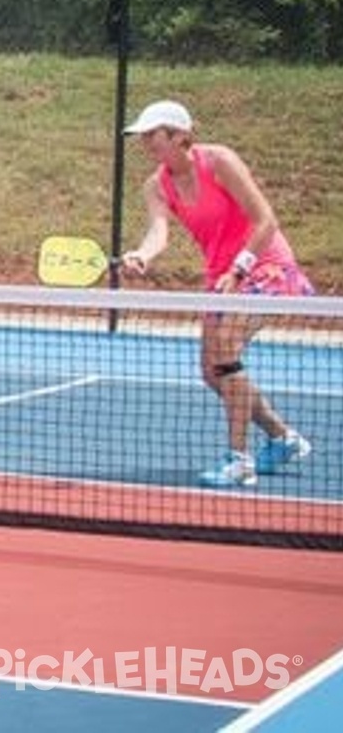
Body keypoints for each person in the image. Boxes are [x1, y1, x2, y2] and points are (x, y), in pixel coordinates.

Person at [121, 99, 313, 488]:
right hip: (220, 278)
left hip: (263, 265)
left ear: (181, 136)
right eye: (142, 135)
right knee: (212, 373)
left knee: (226, 350)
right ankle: (283, 438)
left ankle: (240, 460)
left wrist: (239, 269)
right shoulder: (156, 184)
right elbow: (159, 232)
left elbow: (265, 220)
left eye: (152, 133)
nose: (145, 141)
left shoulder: (219, 161)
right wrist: (141, 254)